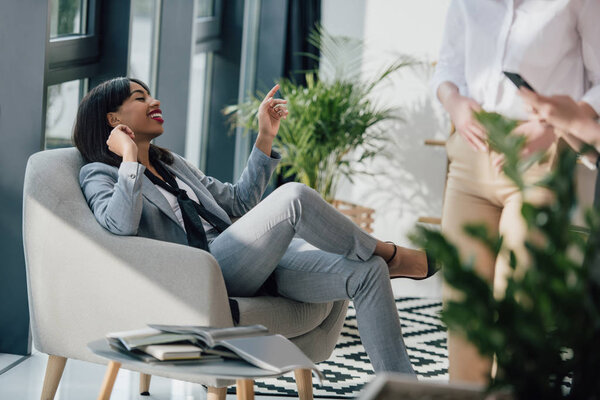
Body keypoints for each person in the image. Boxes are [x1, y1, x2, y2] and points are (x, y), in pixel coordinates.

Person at [74, 77, 436, 374]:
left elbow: (239, 203)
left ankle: (402, 389)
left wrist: (265, 136)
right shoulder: (100, 173)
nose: (154, 101)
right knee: (293, 196)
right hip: (206, 270)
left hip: (256, 260)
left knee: (368, 271)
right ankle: (390, 253)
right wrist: (129, 159)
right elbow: (119, 225)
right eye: (140, 98)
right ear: (112, 120)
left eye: (151, 93)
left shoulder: (173, 164)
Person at [431, 0, 600, 384]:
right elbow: (447, 68)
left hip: (538, 159)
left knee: (519, 303)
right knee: (463, 303)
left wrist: (553, 125)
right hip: (470, 156)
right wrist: (454, 103)